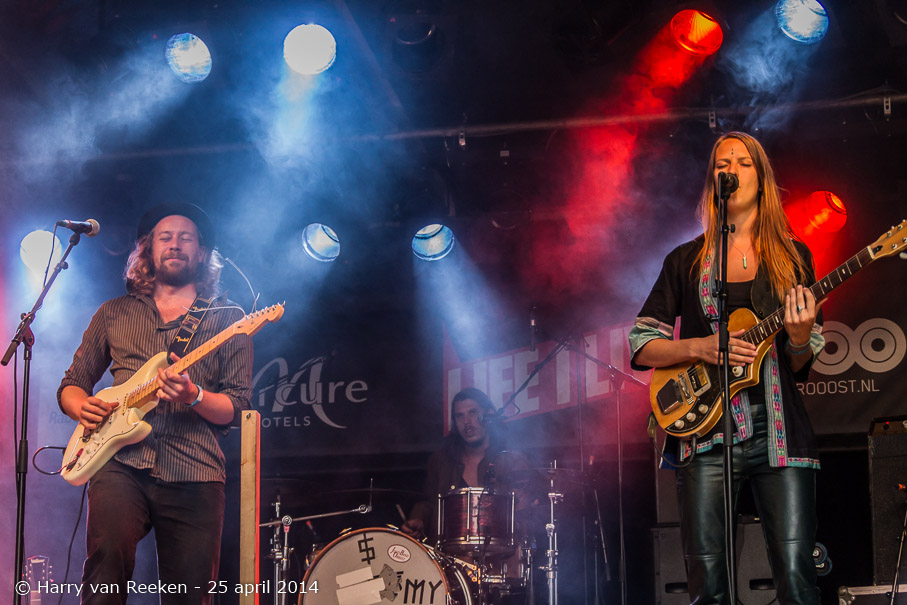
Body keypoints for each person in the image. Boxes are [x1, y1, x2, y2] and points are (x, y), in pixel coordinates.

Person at [628, 132, 825, 604]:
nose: (731, 170)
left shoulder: (794, 257)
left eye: (743, 162)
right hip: (704, 435)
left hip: (779, 433)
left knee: (797, 577)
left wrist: (800, 337)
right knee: (708, 584)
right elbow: (641, 344)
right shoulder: (685, 260)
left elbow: (801, 361)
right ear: (713, 180)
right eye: (722, 163)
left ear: (762, 178)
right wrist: (698, 348)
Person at [58, 203, 253, 604]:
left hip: (195, 469)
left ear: (202, 252)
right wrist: (82, 407)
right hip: (119, 462)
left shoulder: (229, 319)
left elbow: (237, 407)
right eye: (165, 237)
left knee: (191, 593)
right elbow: (72, 384)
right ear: (148, 249)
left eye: (186, 238)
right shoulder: (113, 312)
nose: (175, 244)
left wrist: (194, 395)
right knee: (105, 570)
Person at [402, 387, 532, 542]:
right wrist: (418, 518)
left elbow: (529, 507)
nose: (466, 422)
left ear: (489, 415)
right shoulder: (441, 460)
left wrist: (522, 503)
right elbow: (430, 503)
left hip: (499, 551)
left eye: (473, 413)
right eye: (460, 416)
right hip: (448, 552)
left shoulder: (511, 458)